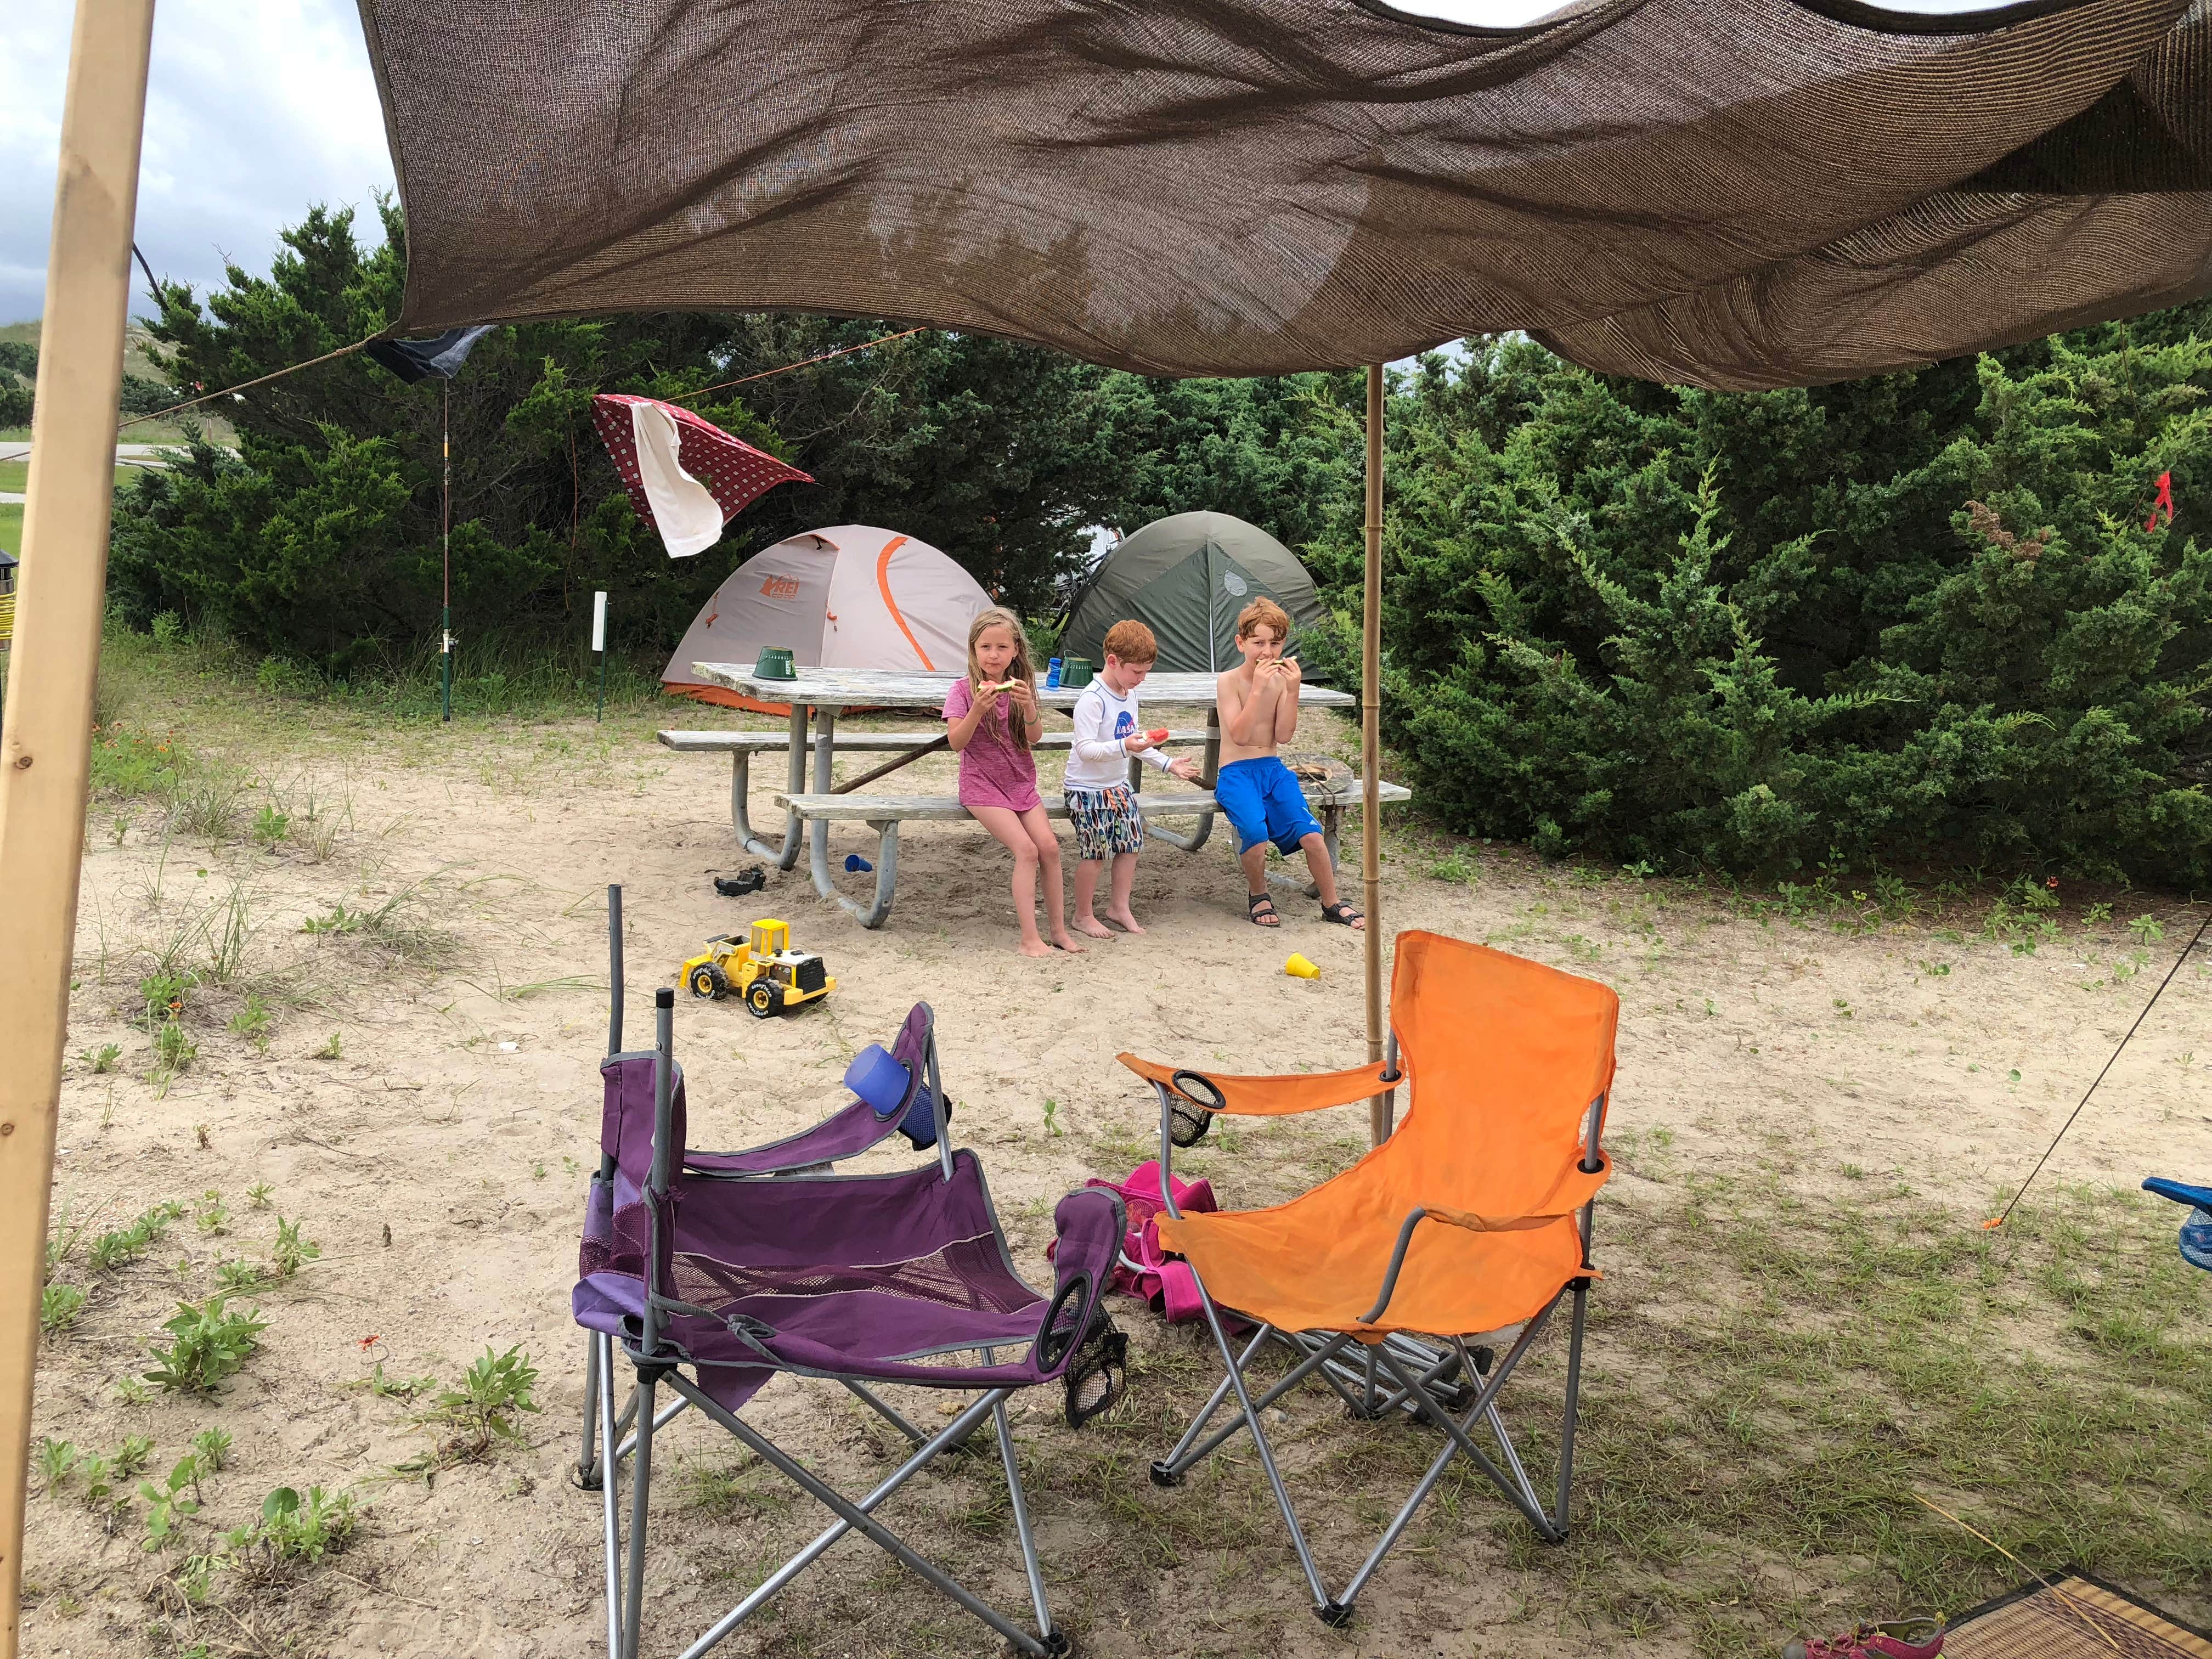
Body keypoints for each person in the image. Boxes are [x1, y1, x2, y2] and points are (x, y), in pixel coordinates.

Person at [1214, 597, 1364, 929]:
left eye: (1275, 643)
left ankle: (1332, 902)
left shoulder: (1281, 681)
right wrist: (1257, 691)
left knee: (1311, 835)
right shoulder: (1228, 682)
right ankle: (1259, 894)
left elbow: (1283, 736)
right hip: (1236, 774)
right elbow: (1238, 735)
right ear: (1241, 644)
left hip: (1273, 770)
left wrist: (1293, 690)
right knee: (1255, 831)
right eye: (1258, 643)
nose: (1267, 652)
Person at [944, 608, 1085, 957]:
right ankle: (1029, 938)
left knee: (1050, 849)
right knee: (1027, 851)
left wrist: (1029, 709)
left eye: (1002, 647)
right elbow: (956, 742)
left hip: (1021, 783)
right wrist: (977, 709)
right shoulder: (963, 691)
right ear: (974, 650)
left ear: (1016, 650)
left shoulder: (1023, 688)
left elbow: (1034, 737)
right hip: (981, 787)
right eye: (986, 647)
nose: (993, 655)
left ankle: (1058, 931)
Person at [1064, 619, 1201, 936]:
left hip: (1117, 786)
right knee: (1095, 853)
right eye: (1137, 671)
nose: (1142, 678)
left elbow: (1137, 741)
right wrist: (1125, 746)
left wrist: (1168, 764)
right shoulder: (1093, 698)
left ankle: (1119, 907)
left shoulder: (1129, 694)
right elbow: (1086, 750)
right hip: (1087, 789)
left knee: (1131, 845)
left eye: (1146, 672)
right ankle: (1082, 915)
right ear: (1113, 661)